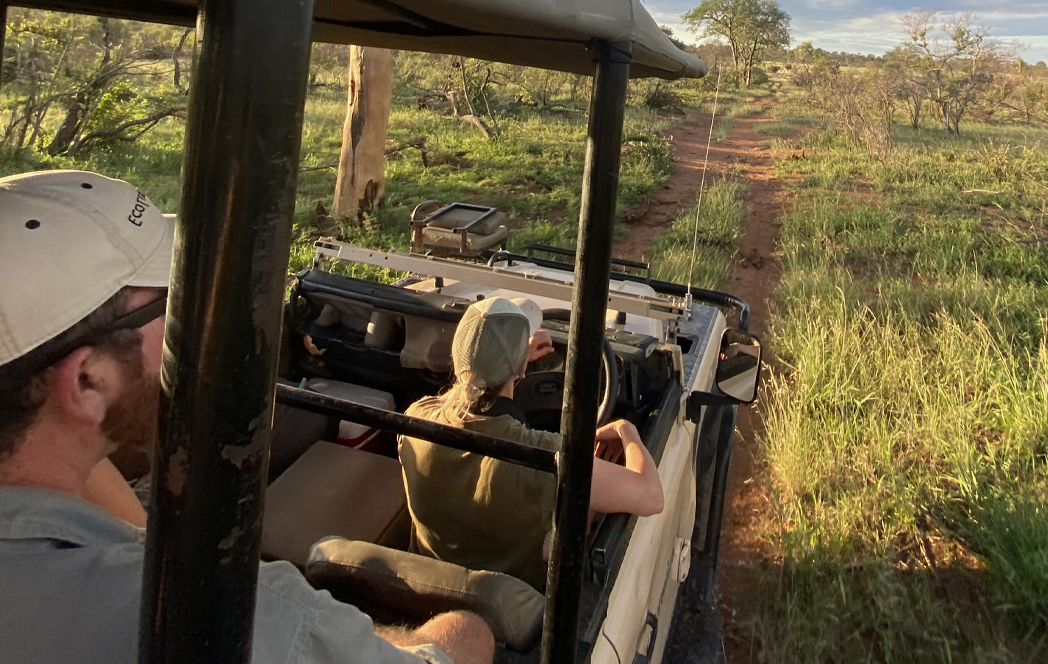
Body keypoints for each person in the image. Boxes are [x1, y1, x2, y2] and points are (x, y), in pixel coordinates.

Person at [0, 170, 493, 664]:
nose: (198, 324)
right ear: (90, 380)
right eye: (176, 304)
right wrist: (462, 631)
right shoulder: (230, 621)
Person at [399, 296, 664, 591]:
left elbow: (464, 394)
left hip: (427, 583)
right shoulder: (543, 459)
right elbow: (651, 496)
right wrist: (628, 431)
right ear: (522, 370)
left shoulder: (416, 419)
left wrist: (505, 362)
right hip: (510, 603)